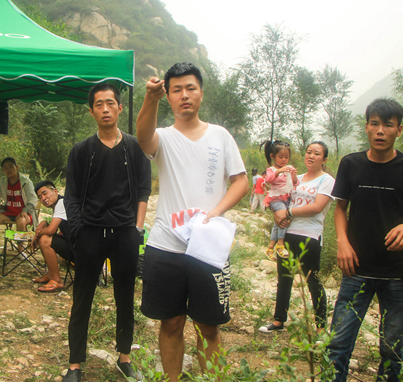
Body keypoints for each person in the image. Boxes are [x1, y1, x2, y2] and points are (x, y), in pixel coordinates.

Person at [136, 63, 248, 382]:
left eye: (191, 88)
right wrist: (150, 98)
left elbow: (241, 181)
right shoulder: (163, 137)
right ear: (168, 96)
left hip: (207, 249)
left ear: (201, 93)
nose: (184, 95)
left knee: (208, 327)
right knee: (170, 323)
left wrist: (216, 213)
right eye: (176, 90)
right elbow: (142, 138)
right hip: (165, 247)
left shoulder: (220, 136)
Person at [327, 98, 403, 382]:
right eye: (374, 124)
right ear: (366, 127)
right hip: (356, 268)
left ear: (399, 129)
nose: (380, 131)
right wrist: (342, 243)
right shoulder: (351, 163)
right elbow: (340, 208)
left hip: (397, 273)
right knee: (338, 344)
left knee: (392, 349)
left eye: (388, 125)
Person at [62, 83, 151, 382]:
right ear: (91, 111)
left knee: (125, 297)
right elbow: (71, 196)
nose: (105, 109)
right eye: (99, 104)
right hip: (90, 233)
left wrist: (137, 228)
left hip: (125, 232)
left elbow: (143, 190)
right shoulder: (82, 151)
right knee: (82, 298)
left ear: (120, 108)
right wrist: (78, 230)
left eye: (110, 103)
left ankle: (124, 357)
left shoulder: (135, 148)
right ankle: (75, 364)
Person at [258, 141, 334, 334]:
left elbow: (317, 207)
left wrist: (288, 212)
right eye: (309, 152)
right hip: (287, 234)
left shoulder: (327, 180)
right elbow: (279, 198)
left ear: (324, 159)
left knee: (313, 282)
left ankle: (320, 329)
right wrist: (277, 215)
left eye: (317, 153)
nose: (311, 156)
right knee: (284, 279)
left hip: (309, 235)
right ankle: (278, 321)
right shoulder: (295, 178)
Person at [0, 157, 37, 254]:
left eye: (11, 167)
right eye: (5, 168)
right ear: (3, 170)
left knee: (21, 221)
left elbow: (33, 199)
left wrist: (25, 210)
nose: (8, 170)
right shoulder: (3, 181)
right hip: (8, 213)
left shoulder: (25, 181)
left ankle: (20, 250)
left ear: (16, 167)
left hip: (24, 214)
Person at [31, 180, 73, 292]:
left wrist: (37, 234)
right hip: (74, 245)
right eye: (40, 197)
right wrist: (44, 222)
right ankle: (50, 274)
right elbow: (53, 229)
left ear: (55, 191)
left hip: (80, 251)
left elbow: (51, 231)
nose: (43, 198)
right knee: (44, 238)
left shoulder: (62, 203)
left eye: (45, 193)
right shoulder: (58, 204)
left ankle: (57, 280)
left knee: (45, 240)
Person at [260, 140, 298, 260]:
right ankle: (280, 244)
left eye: (286, 157)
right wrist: (278, 172)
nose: (284, 160)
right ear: (273, 156)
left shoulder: (289, 168)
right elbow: (268, 180)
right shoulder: (271, 169)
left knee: (278, 222)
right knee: (283, 218)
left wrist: (294, 176)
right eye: (280, 157)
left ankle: (270, 247)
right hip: (276, 198)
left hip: (287, 198)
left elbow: (295, 183)